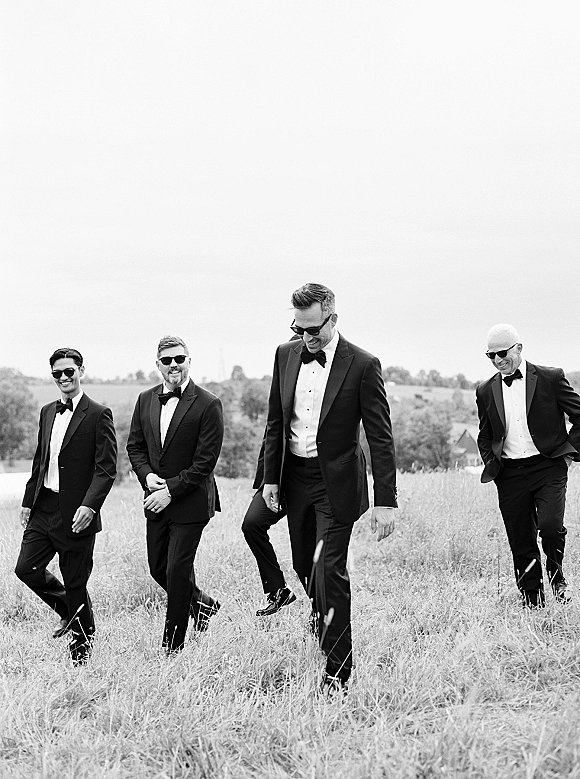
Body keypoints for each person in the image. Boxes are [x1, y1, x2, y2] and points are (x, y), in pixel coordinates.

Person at [261, 283, 398, 692]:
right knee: (305, 566)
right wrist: (270, 478)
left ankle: (338, 672)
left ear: (332, 319)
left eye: (313, 329)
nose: (305, 337)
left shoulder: (363, 364)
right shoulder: (285, 354)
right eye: (298, 328)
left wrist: (385, 501)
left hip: (336, 484)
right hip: (293, 478)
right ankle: (321, 621)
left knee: (328, 570)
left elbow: (380, 437)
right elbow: (275, 421)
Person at [15, 347, 117, 666]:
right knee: (26, 568)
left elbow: (106, 468)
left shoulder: (99, 414)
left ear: (81, 371)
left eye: (68, 371)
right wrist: (28, 502)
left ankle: (81, 658)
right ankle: (69, 612)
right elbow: (40, 461)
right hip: (44, 506)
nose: (63, 377)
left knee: (75, 583)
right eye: (57, 373)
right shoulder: (47, 411)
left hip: (77, 513)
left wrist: (90, 506)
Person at [126, 335, 223, 652]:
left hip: (191, 502)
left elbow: (205, 462)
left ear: (189, 361)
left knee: (177, 572)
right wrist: (147, 476)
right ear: (158, 365)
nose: (173, 365)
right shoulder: (145, 399)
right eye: (167, 360)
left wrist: (170, 490)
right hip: (154, 500)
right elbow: (135, 447)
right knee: (159, 569)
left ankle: (172, 647)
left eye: (179, 359)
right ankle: (203, 605)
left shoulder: (208, 403)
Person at [476, 324, 580, 608]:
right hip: (509, 474)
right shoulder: (485, 391)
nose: (498, 360)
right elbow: (485, 435)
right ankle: (533, 600)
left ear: (519, 348)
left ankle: (557, 577)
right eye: (491, 355)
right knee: (520, 538)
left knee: (550, 527)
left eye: (502, 353)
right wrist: (493, 465)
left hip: (548, 467)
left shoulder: (550, 378)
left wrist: (569, 453)